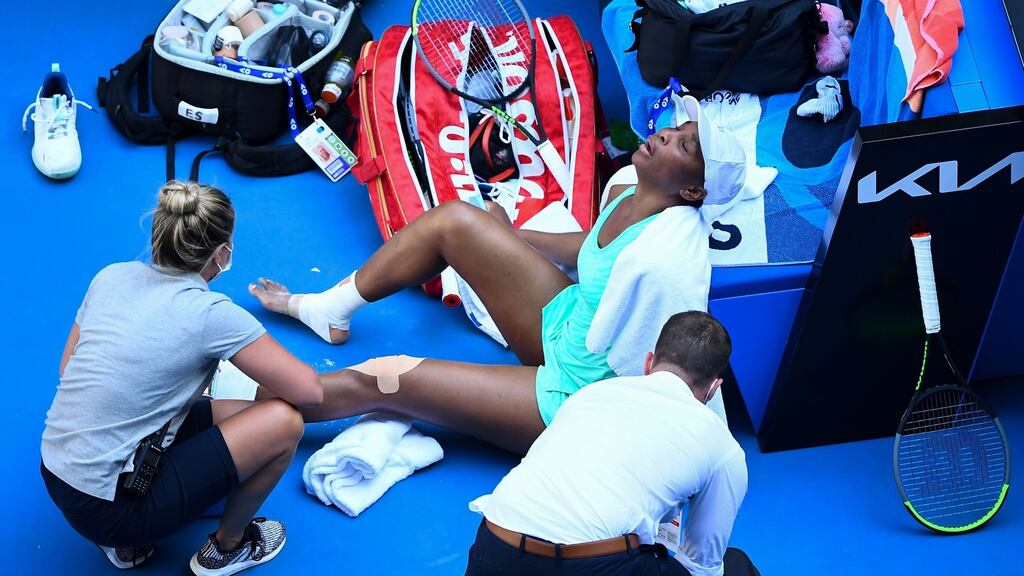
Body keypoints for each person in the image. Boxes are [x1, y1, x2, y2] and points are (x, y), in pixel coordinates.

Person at [251, 94, 747, 454]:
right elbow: (591, 248)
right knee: (459, 221)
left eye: (684, 148)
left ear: (693, 193)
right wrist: (510, 238)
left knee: (387, 378)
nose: (665, 134)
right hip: (563, 325)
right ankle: (329, 309)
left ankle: (237, 403)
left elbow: (670, 371)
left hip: (576, 397)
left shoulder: (666, 260)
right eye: (677, 130)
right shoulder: (624, 185)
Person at [40, 181, 323, 575]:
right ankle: (227, 548)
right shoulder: (211, 313)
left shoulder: (111, 276)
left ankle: (123, 545)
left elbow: (68, 369)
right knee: (283, 422)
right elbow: (308, 391)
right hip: (111, 511)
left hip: (56, 471)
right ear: (222, 252)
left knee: (220, 411)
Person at [465, 311, 752, 576]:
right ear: (714, 389)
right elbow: (701, 564)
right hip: (589, 565)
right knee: (737, 566)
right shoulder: (724, 449)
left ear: (648, 362)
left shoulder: (591, 394)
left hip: (493, 545)